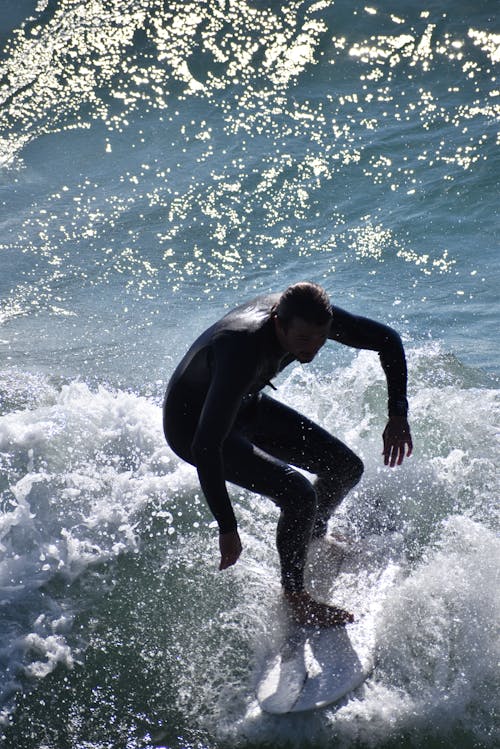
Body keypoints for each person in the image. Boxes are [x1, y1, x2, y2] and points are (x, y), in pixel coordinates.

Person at [163, 282, 412, 627]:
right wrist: (227, 525)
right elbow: (206, 445)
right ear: (279, 322)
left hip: (244, 406)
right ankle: (296, 598)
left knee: (344, 467)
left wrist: (397, 414)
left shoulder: (310, 319)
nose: (312, 350)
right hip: (192, 428)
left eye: (321, 339)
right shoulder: (241, 349)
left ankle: (310, 536)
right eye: (303, 342)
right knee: (297, 493)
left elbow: (387, 340)